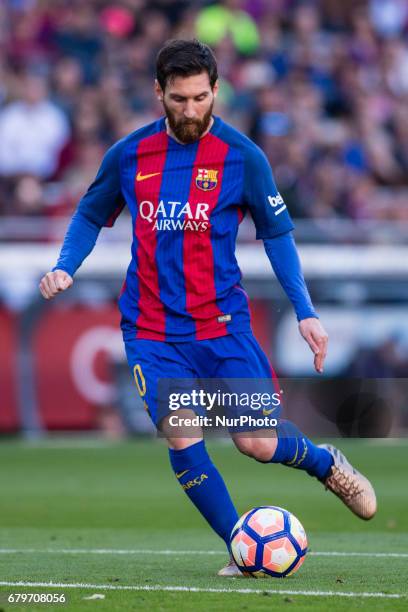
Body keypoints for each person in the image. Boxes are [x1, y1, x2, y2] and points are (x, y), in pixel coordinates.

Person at [39, 39, 376, 577]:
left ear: (216, 90)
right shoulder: (129, 154)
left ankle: (325, 463)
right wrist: (66, 265)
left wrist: (307, 311)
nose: (191, 110)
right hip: (151, 329)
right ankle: (241, 548)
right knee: (182, 430)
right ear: (159, 93)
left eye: (200, 98)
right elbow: (88, 214)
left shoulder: (243, 157)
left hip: (222, 326)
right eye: (179, 99)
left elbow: (279, 236)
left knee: (258, 443)